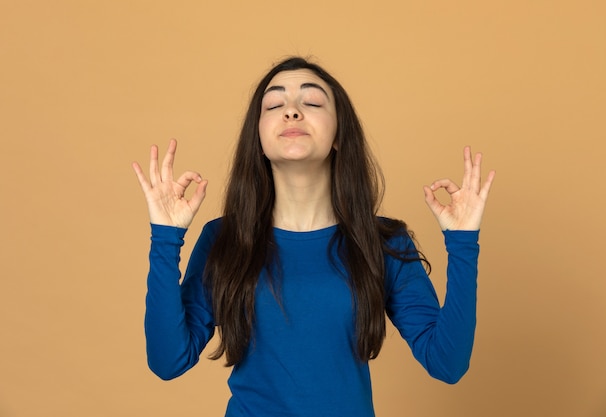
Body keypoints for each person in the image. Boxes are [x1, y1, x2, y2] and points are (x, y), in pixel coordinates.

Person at [132, 56, 495, 417]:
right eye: (275, 104)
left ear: (339, 135)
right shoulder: (224, 238)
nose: (292, 111)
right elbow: (169, 361)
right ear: (257, 139)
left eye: (312, 102)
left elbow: (447, 364)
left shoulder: (383, 241)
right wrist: (166, 238)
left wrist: (463, 242)